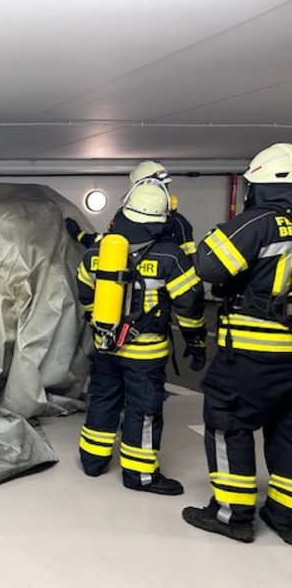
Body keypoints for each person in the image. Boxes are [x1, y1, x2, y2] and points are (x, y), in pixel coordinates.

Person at [182, 143, 292, 545]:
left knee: (229, 423)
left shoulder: (260, 221)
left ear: (259, 186)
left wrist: (214, 237)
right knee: (287, 430)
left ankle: (233, 515)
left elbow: (211, 266)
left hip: (253, 352)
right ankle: (285, 514)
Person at [77, 177, 207, 495]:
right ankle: (139, 476)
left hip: (105, 348)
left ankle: (92, 461)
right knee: (143, 411)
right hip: (145, 355)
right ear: (162, 218)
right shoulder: (171, 256)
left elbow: (84, 295)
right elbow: (189, 304)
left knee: (103, 401)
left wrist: (103, 328)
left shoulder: (96, 253)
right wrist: (196, 341)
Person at [65, 160, 195, 253]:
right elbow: (110, 241)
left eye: (164, 187)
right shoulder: (123, 216)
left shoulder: (177, 223)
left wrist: (80, 235)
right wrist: (80, 235)